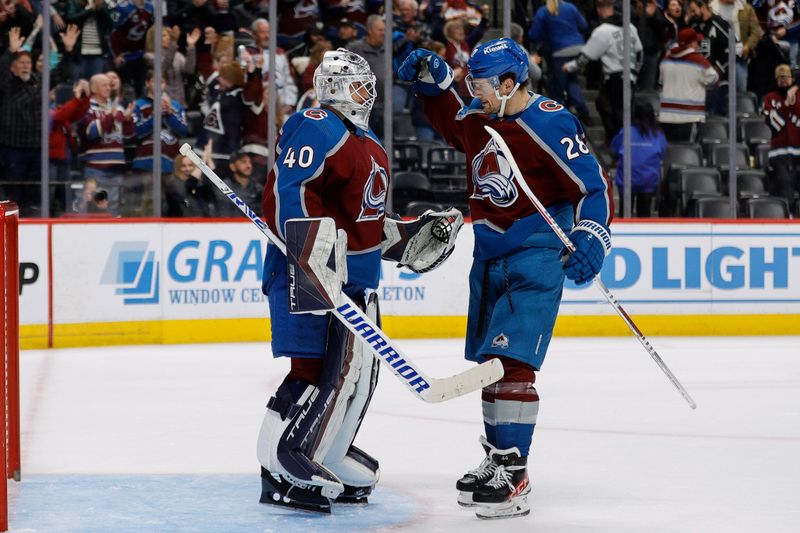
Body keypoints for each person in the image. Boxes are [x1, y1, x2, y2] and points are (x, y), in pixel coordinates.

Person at [398, 37, 613, 519]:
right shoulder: (480, 115)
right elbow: (454, 127)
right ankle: (498, 458)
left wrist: (594, 235)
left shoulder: (550, 121)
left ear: (510, 82)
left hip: (536, 252)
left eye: (478, 82)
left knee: (513, 363)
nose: (470, 89)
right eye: (468, 81)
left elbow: (591, 187)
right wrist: (434, 89)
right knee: (494, 362)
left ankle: (515, 473)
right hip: (490, 254)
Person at [256, 47, 463, 514]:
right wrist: (310, 256)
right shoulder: (316, 124)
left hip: (356, 283)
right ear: (333, 87)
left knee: (358, 379)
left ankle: (324, 453)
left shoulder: (369, 143)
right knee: (313, 375)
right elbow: (292, 194)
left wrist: (408, 238)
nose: (367, 93)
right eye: (358, 83)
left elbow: (364, 225)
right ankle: (282, 465)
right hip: (306, 273)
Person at [564, 0, 643, 143]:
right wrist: (635, 73)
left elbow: (585, 57)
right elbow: (639, 53)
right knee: (617, 110)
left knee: (616, 114)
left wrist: (569, 67)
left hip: (615, 78)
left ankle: (619, 147)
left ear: (599, 10)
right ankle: (620, 145)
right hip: (630, 77)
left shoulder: (603, 31)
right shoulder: (630, 27)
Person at [0, 27, 42, 217]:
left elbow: (55, 71)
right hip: (13, 148)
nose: (26, 66)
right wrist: (10, 52)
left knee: (34, 193)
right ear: (13, 67)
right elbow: (1, 72)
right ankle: (13, 220)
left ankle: (32, 220)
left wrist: (66, 50)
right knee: (14, 191)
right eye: (21, 63)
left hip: (36, 147)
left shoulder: (38, 82)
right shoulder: (7, 85)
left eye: (28, 62)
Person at [528, 0, 590, 123]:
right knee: (572, 80)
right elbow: (584, 26)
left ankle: (560, 117)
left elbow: (533, 34)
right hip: (578, 49)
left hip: (559, 52)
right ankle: (583, 111)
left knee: (558, 86)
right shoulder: (571, 7)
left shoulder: (544, 11)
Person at [658, 27, 719, 142]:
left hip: (666, 117)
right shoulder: (699, 61)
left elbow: (661, 83)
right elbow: (714, 79)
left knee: (671, 154)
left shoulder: (665, 60)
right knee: (688, 154)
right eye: (696, 42)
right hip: (689, 117)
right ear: (692, 43)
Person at [610, 99, 666, 217]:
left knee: (625, 215)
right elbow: (662, 154)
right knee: (644, 215)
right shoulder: (658, 134)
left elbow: (614, 151)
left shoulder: (625, 132)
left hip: (627, 181)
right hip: (648, 181)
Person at [762, 64, 800, 209]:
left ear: (792, 78)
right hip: (780, 155)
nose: (784, 81)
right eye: (780, 78)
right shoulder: (770, 99)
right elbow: (774, 125)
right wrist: (786, 104)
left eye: (787, 77)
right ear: (776, 80)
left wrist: (795, 91)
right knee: (785, 195)